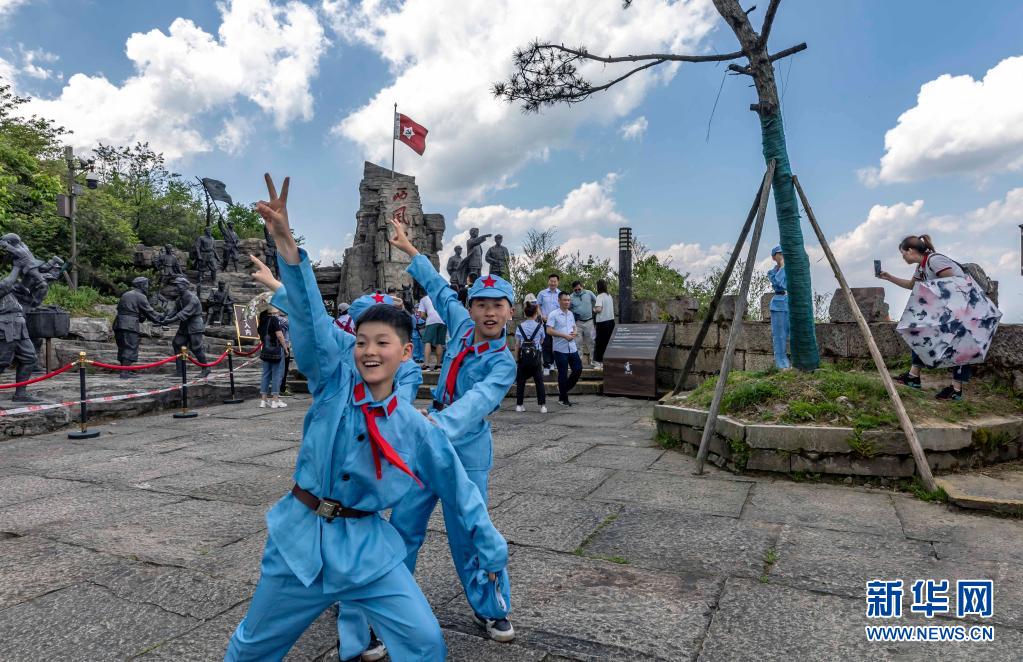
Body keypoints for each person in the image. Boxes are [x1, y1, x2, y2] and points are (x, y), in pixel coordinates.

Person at [226, 174, 508, 662]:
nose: (370, 350)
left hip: (451, 444)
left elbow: (474, 409)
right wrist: (287, 253)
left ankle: (490, 605)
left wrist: (428, 430)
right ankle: (362, 634)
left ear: (406, 352)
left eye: (384, 341)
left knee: (461, 548)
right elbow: (318, 326)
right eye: (362, 340)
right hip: (302, 538)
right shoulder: (335, 382)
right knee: (255, 644)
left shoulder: (463, 384)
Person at [378, 217, 518, 648]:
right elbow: (440, 289)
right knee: (403, 524)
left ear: (510, 311)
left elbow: (477, 403)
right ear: (470, 309)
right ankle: (388, 606)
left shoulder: (503, 364)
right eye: (481, 304)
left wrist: (435, 424)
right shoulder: (459, 325)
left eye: (497, 305)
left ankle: (491, 608)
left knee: (470, 531)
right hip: (427, 444)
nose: (489, 312)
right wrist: (410, 250)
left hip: (465, 448)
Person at [877, 234, 972, 400]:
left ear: (910, 250)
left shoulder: (935, 260)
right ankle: (913, 377)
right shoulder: (922, 266)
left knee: (960, 344)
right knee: (918, 331)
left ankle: (956, 390)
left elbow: (952, 283)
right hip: (944, 308)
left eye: (903, 253)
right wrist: (889, 277)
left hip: (961, 307)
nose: (903, 257)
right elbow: (911, 285)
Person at [113, 277, 163, 378]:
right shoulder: (140, 296)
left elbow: (136, 313)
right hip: (130, 325)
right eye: (146, 285)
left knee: (123, 347)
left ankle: (125, 369)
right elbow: (149, 312)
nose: (147, 287)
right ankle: (124, 372)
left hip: (119, 323)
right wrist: (162, 317)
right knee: (130, 346)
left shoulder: (126, 294)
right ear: (141, 285)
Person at [162, 277, 210, 378]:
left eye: (178, 285)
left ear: (185, 286)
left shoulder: (193, 299)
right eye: (175, 285)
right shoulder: (179, 299)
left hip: (194, 326)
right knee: (177, 343)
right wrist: (165, 318)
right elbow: (174, 311)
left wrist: (169, 321)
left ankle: (206, 368)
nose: (176, 288)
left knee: (196, 348)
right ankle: (180, 371)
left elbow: (184, 313)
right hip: (184, 326)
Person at [546, 291, 582, 406]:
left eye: (568, 300)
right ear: (559, 301)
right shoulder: (553, 314)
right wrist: (564, 336)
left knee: (578, 369)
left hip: (572, 347)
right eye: (565, 300)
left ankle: (563, 389)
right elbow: (549, 330)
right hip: (560, 349)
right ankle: (563, 399)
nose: (567, 302)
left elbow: (574, 327)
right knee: (563, 374)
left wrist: (575, 332)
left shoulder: (570, 314)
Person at [514, 301, 547, 413]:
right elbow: (542, 341)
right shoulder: (540, 327)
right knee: (539, 381)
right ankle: (542, 406)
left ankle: (519, 405)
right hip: (536, 357)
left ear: (525, 314)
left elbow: (517, 344)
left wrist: (517, 359)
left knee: (521, 381)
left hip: (523, 358)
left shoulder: (520, 327)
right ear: (535, 314)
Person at [257, 308, 288, 409]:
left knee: (265, 375)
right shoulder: (274, 319)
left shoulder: (261, 321)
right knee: (276, 375)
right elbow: (279, 335)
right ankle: (275, 401)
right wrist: (285, 348)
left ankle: (263, 400)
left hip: (265, 350)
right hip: (276, 350)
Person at [767, 245, 790, 369]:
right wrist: (782, 267)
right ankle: (782, 364)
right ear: (773, 257)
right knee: (780, 336)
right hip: (779, 304)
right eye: (779, 254)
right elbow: (779, 283)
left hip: (792, 302)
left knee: (796, 333)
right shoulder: (772, 273)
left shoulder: (791, 270)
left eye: (784, 253)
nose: (782, 256)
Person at [535, 274, 561, 375]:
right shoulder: (542, 293)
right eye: (551, 281)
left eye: (555, 281)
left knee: (555, 344)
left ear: (558, 282)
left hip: (557, 324)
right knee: (546, 344)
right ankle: (546, 365)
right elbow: (537, 306)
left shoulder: (560, 294)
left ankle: (552, 364)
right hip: (545, 322)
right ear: (548, 281)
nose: (553, 283)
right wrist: (541, 316)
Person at [569, 280, 598, 368]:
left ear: (582, 287)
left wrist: (595, 309)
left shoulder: (589, 293)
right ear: (573, 289)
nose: (577, 291)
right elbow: (568, 308)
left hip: (589, 322)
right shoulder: (571, 297)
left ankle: (594, 361)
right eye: (575, 290)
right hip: (577, 323)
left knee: (592, 342)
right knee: (577, 343)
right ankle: (578, 363)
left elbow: (598, 301)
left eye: (579, 289)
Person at [417, 294, 446, 371]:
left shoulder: (424, 299)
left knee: (427, 342)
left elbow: (422, 315)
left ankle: (426, 365)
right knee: (439, 343)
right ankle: (438, 365)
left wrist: (427, 319)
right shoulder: (441, 296)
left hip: (431, 320)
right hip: (443, 320)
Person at [592, 279, 615, 370]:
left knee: (599, 343)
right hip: (611, 322)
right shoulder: (609, 296)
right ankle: (607, 362)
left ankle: (598, 363)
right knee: (608, 342)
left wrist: (594, 309)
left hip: (602, 322)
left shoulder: (599, 296)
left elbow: (599, 309)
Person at [278, 312, 293, 396]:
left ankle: (277, 389)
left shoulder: (272, 319)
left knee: (277, 369)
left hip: (275, 346)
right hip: (284, 346)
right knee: (284, 369)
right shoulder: (285, 320)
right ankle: (281, 389)